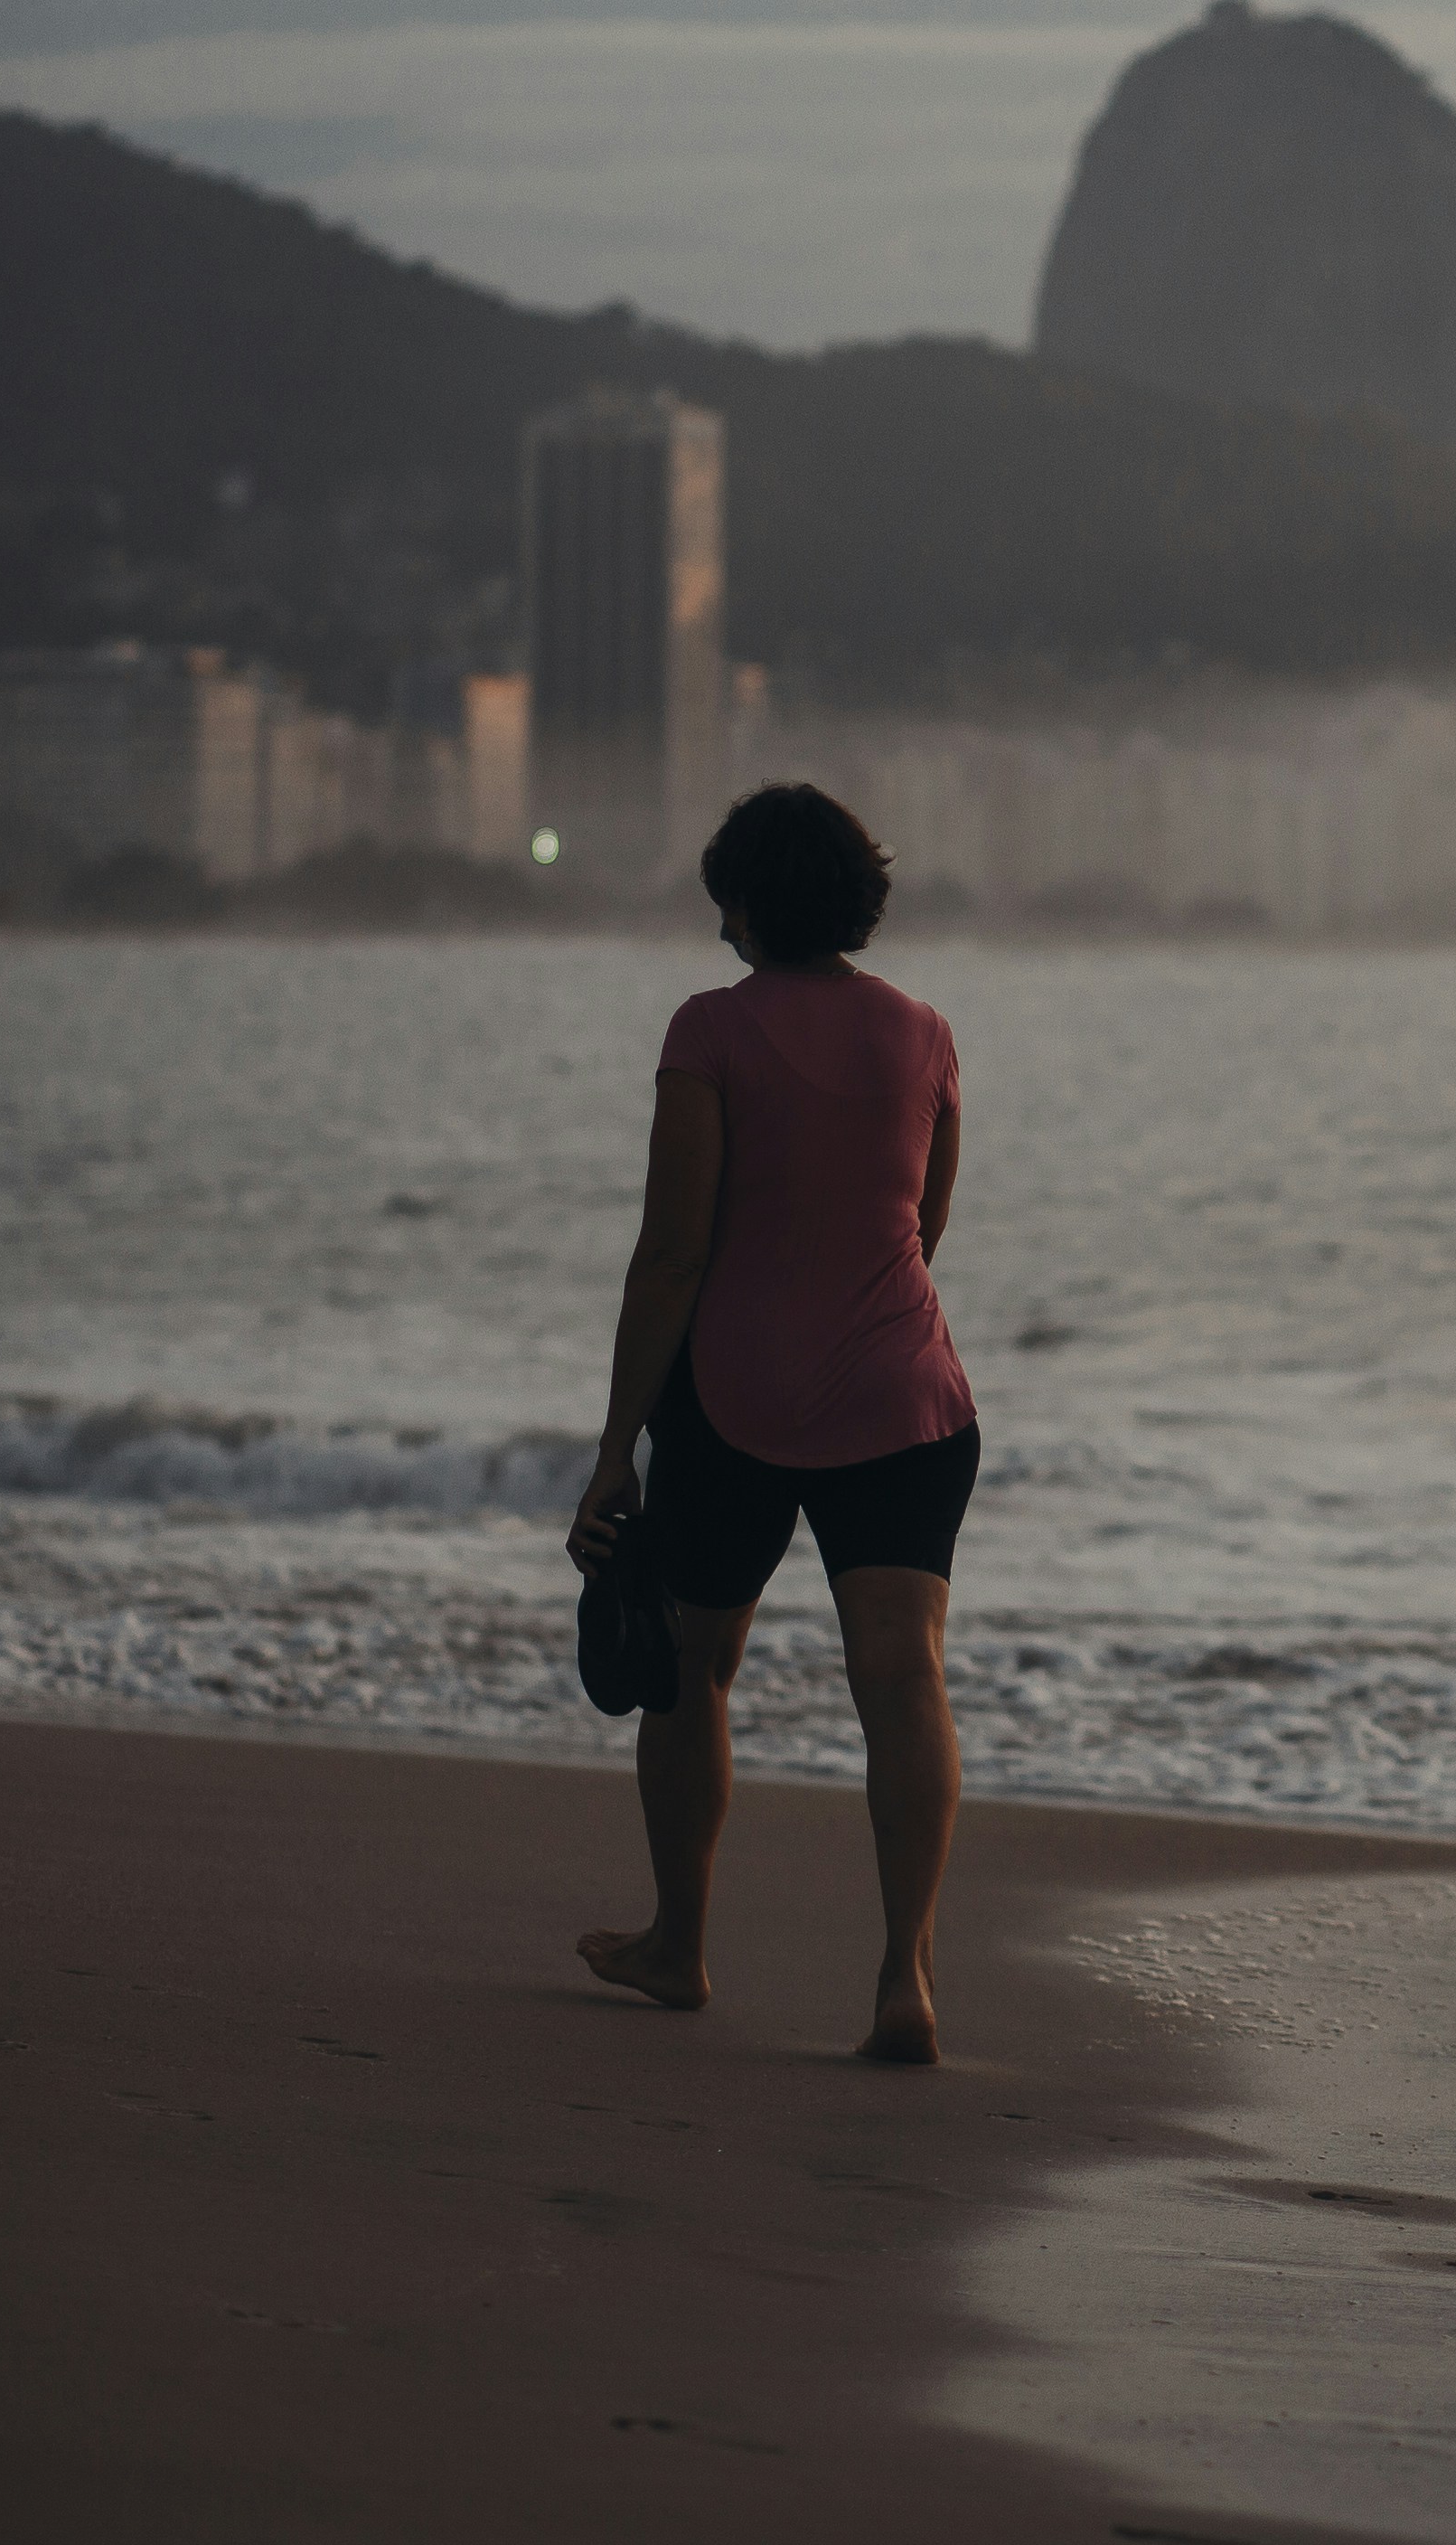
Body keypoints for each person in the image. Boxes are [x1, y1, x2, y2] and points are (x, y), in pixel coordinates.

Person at [565, 784, 982, 2064]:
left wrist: (614, 1450)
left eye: (726, 904)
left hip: (736, 1400)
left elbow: (673, 1253)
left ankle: (678, 1946)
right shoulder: (923, 1033)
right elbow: (923, 1228)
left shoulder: (710, 1034)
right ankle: (904, 1973)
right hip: (903, 1396)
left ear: (750, 902)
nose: (720, 933)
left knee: (694, 1674)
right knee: (902, 1678)